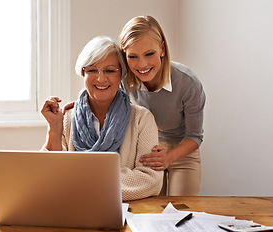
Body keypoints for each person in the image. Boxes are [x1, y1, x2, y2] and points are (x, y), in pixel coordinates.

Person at [40, 36, 163, 201]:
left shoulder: (142, 119)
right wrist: (54, 128)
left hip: (127, 212)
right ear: (83, 73)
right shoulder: (66, 118)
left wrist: (80, 181)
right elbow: (48, 175)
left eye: (110, 70)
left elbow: (151, 180)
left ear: (121, 75)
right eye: (92, 70)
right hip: (73, 209)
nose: (101, 78)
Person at [119, 15, 206, 196]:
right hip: (146, 150)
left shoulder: (188, 83)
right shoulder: (124, 80)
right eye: (133, 56)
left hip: (182, 151)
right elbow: (104, 99)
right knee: (150, 212)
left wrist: (169, 157)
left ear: (162, 49)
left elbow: (195, 136)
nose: (142, 64)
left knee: (182, 212)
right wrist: (81, 104)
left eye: (149, 54)